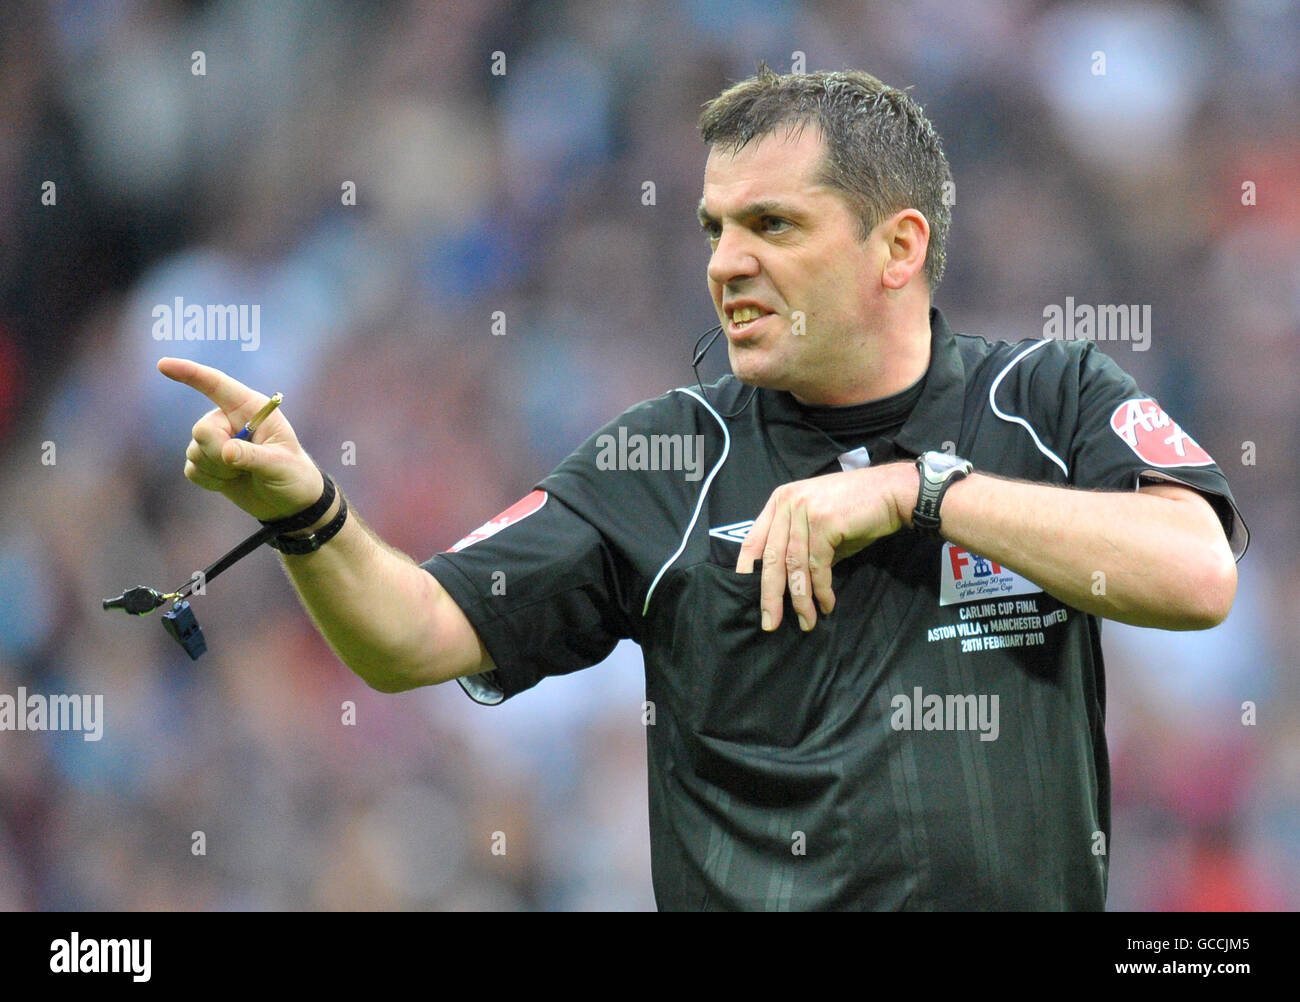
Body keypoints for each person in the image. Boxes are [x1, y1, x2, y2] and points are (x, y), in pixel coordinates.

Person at [159, 66, 1247, 910]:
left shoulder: (1043, 401)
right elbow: (411, 637)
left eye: (771, 224)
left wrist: (920, 491)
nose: (725, 261)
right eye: (713, 228)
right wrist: (304, 511)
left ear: (896, 247)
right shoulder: (665, 460)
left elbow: (1196, 572)